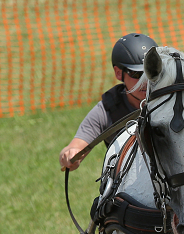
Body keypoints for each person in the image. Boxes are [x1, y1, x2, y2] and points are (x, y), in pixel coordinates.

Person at [58, 33, 158, 172]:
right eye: (136, 74)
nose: (145, 81)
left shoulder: (173, 100)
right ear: (118, 73)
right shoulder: (107, 110)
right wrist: (69, 155)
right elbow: (75, 146)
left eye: (150, 72)